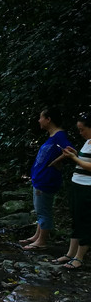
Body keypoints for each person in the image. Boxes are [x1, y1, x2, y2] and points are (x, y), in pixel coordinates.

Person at [19, 107, 71, 250]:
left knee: (43, 211)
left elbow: (71, 151)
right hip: (40, 179)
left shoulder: (59, 136)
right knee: (40, 209)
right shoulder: (52, 136)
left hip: (46, 180)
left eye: (41, 117)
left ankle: (41, 242)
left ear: (48, 119)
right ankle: (37, 236)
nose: (39, 120)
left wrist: (55, 163)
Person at [53, 112, 91, 270]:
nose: (80, 133)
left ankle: (79, 257)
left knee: (85, 221)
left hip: (87, 188)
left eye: (82, 129)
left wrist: (74, 158)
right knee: (75, 219)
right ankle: (70, 253)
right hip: (77, 184)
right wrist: (75, 154)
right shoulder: (88, 142)